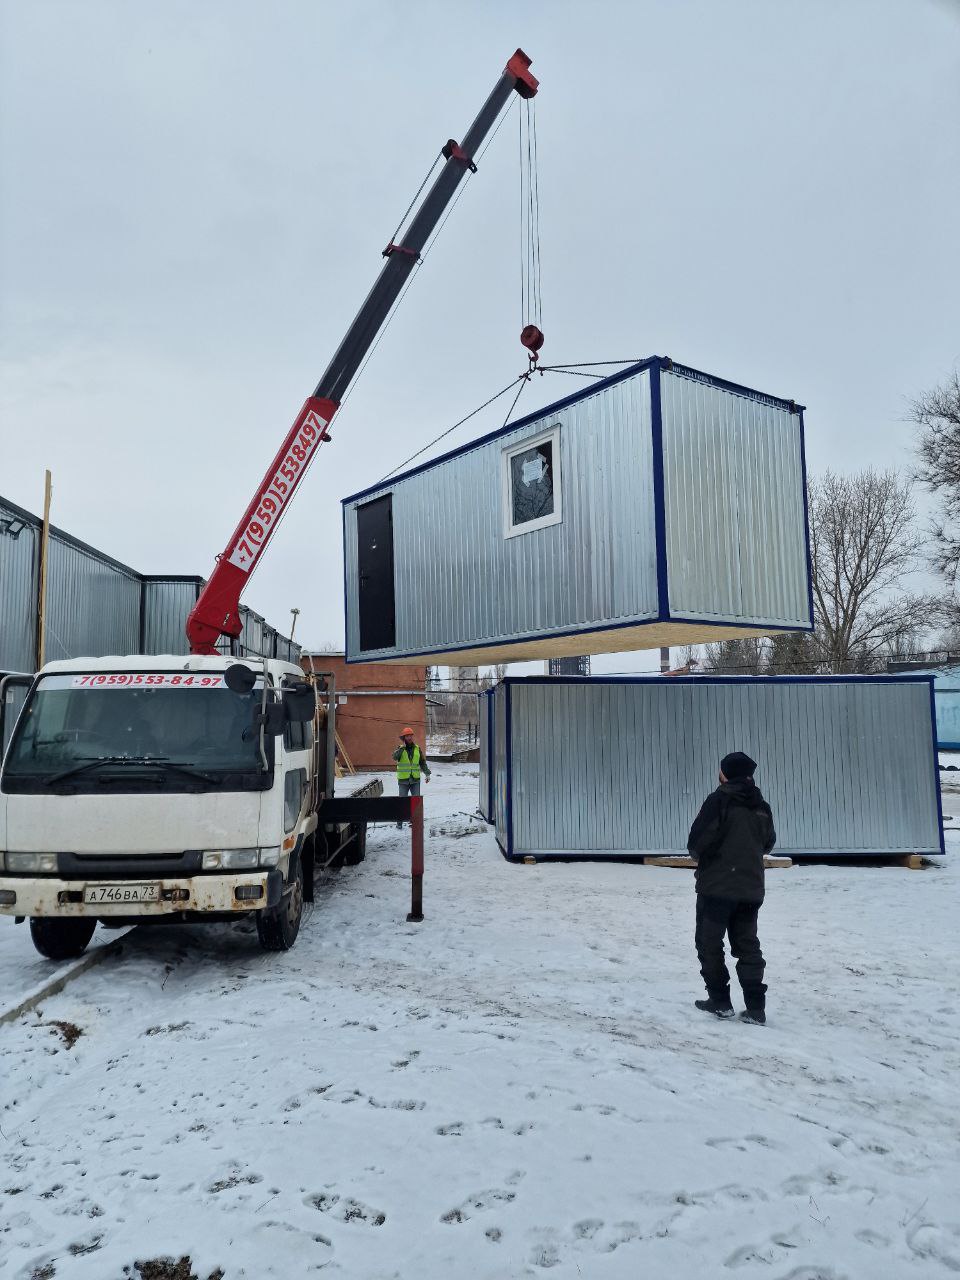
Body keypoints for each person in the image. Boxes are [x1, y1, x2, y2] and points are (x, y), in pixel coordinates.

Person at [687, 751, 776, 1025]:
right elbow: (768, 843)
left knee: (709, 943)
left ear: (724, 773)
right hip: (750, 889)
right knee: (747, 945)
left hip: (716, 888)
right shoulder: (761, 806)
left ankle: (720, 1001)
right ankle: (756, 1008)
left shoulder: (719, 801)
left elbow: (697, 843)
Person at [393, 727, 430, 828]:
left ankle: (415, 821)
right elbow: (395, 757)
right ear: (404, 737)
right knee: (402, 802)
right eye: (407, 736)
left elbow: (422, 763)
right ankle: (399, 822)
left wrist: (427, 773)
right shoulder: (400, 748)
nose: (409, 737)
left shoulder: (417, 748)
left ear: (412, 736)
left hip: (415, 780)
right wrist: (402, 748)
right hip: (403, 781)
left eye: (410, 735)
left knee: (416, 802)